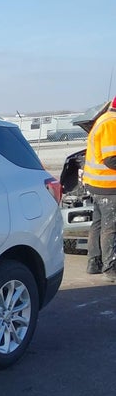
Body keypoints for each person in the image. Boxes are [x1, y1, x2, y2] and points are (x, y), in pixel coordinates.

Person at [83, 96, 116, 281]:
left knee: (98, 224)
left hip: (96, 184)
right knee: (110, 227)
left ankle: (94, 263)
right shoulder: (112, 124)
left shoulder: (103, 120)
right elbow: (111, 159)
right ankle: (110, 268)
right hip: (108, 185)